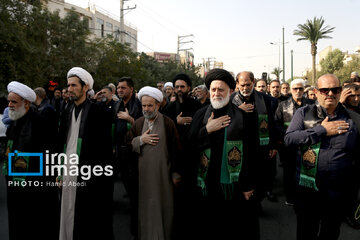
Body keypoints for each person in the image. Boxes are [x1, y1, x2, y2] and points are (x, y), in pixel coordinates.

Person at [284, 74, 360, 240]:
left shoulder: (354, 120)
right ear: (317, 92)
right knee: (306, 232)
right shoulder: (303, 113)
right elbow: (289, 139)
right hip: (308, 191)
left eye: (335, 90)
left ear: (340, 92)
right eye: (325, 90)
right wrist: (322, 130)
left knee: (331, 232)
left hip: (338, 194)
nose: (330, 94)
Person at [188, 68, 259, 239]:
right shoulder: (199, 115)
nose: (217, 93)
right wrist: (207, 130)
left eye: (221, 89)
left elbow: (252, 152)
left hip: (232, 187)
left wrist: (248, 184)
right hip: (206, 185)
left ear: (231, 91)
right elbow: (189, 147)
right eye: (213, 89)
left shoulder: (243, 117)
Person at [58, 67, 113, 240]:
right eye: (68, 85)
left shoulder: (98, 112)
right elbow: (62, 142)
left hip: (88, 173)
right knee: (66, 209)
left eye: (74, 85)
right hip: (68, 170)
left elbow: (104, 150)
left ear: (85, 87)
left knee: (86, 216)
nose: (69, 89)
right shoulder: (67, 110)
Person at [4, 81, 59, 240]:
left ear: (26, 103)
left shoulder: (40, 123)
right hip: (16, 185)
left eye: (14, 101)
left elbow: (48, 156)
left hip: (33, 190)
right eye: (9, 101)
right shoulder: (15, 121)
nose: (10, 105)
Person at [126, 86, 181, 240]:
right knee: (143, 210)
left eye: (150, 105)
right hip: (141, 178)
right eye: (144, 105)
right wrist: (140, 140)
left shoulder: (168, 123)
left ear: (158, 105)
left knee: (163, 208)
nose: (147, 109)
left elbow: (176, 149)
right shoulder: (138, 123)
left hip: (163, 177)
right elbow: (126, 145)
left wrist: (175, 173)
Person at [232, 71, 280, 204]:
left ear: (253, 82)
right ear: (237, 84)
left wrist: (273, 145)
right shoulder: (231, 101)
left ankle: (257, 200)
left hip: (260, 147)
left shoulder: (266, 100)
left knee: (261, 179)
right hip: (240, 147)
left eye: (248, 84)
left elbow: (272, 123)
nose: (245, 88)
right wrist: (237, 109)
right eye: (242, 85)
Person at [275, 79, 314, 206]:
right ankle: (290, 196)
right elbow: (276, 123)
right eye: (295, 89)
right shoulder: (282, 105)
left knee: (308, 170)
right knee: (289, 172)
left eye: (300, 89)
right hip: (290, 146)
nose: (298, 91)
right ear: (290, 90)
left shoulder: (312, 105)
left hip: (308, 145)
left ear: (304, 90)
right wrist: (288, 135)